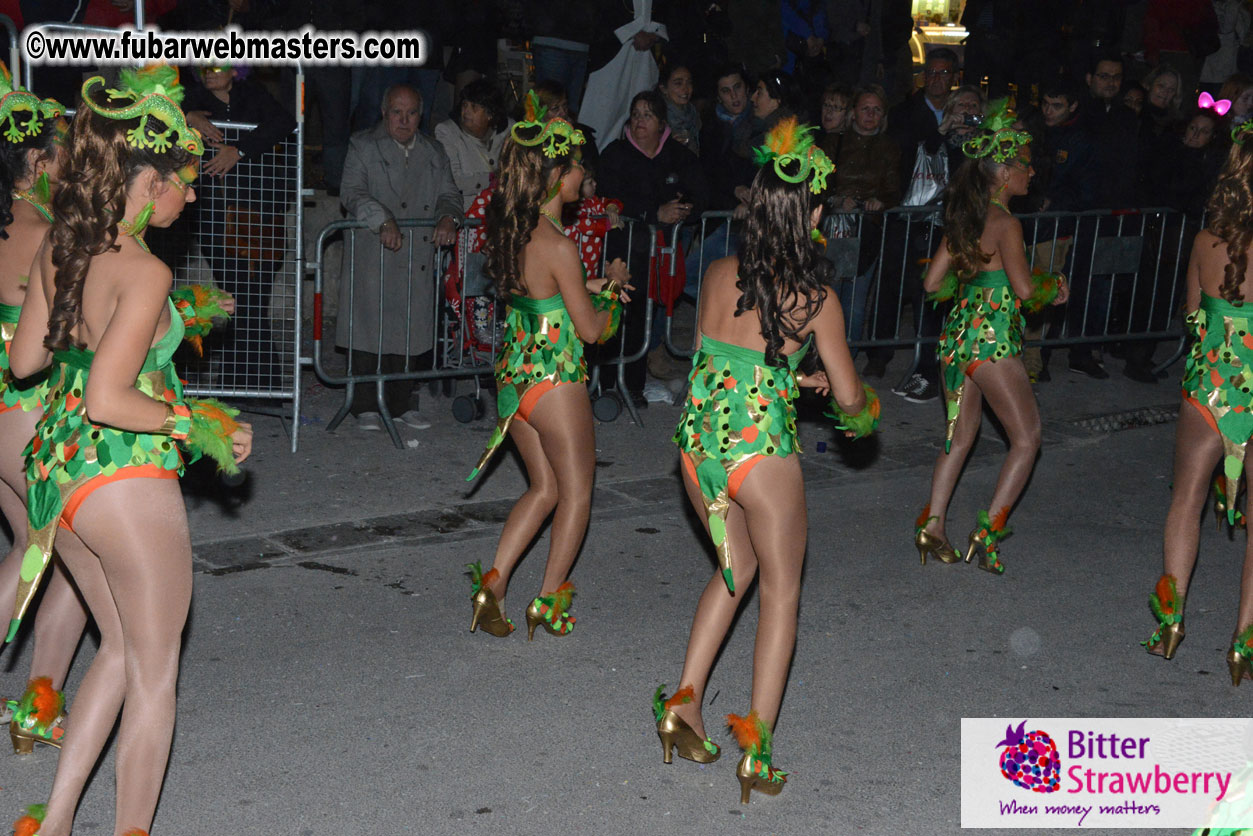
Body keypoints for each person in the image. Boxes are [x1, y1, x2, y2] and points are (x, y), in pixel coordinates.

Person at [7, 65, 251, 836]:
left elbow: (23, 365)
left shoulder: (60, 248)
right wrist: (195, 424)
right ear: (147, 180)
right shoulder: (146, 267)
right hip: (121, 476)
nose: (190, 193)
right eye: (183, 178)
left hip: (59, 472)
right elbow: (112, 397)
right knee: (155, 674)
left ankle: (54, 823)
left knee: (116, 647)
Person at [654, 117, 878, 804]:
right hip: (758, 452)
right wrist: (853, 397)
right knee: (780, 592)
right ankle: (756, 753)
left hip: (697, 449)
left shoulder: (720, 271)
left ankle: (681, 708)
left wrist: (786, 377)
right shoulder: (815, 298)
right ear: (810, 214)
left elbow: (722, 360)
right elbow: (851, 405)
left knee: (733, 569)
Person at [464, 92, 628, 640]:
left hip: (514, 376)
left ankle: (494, 581)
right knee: (577, 493)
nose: (585, 175)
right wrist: (615, 291)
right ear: (558, 174)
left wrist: (592, 287)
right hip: (554, 380)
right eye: (578, 165)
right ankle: (548, 601)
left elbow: (545, 297)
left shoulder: (514, 229)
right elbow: (589, 330)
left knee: (543, 489)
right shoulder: (559, 243)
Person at [914, 101, 1068, 574]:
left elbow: (931, 284)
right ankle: (988, 530)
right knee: (1027, 439)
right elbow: (1024, 289)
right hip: (992, 344)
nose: (1031, 170)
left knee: (959, 439)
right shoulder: (1006, 223)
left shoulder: (965, 219)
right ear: (1002, 171)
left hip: (957, 341)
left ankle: (932, 526)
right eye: (1023, 163)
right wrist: (1053, 287)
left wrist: (976, 283)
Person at [1143, 120, 1253, 686]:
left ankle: (1171, 620)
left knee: (1185, 500)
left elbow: (1190, 314)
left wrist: (1221, 327)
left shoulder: (1206, 241)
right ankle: (1243, 642)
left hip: (1209, 385)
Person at [0, 68, 89, 757]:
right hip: (30, 415)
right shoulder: (41, 233)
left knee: (41, 553)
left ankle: (37, 708)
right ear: (35, 161)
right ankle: (36, 709)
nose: (64, 162)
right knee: (71, 561)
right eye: (57, 152)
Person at [336, 84, 461, 432]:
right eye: (397, 112)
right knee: (368, 330)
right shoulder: (362, 145)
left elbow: (450, 193)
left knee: (410, 332)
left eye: (411, 113)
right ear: (384, 112)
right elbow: (352, 192)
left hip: (415, 255)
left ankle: (402, 402)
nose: (404, 120)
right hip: (374, 253)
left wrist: (449, 216)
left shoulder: (434, 151)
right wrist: (382, 219)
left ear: (420, 115)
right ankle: (364, 405)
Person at [181, 64, 297, 391]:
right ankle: (240, 384)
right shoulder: (192, 98)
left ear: (236, 69)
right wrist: (188, 116)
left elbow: (284, 121)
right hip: (215, 218)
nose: (209, 71)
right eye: (203, 64)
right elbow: (152, 114)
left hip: (259, 215)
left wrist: (239, 150)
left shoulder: (252, 95)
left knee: (255, 299)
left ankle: (258, 387)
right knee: (233, 298)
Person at [598, 89, 708, 408]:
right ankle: (605, 384)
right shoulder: (615, 154)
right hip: (621, 250)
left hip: (657, 255)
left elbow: (701, 193)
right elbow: (608, 197)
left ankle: (633, 385)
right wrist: (653, 212)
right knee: (616, 314)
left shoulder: (678, 156)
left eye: (647, 115)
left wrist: (686, 209)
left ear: (662, 123)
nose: (639, 121)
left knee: (644, 318)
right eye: (635, 114)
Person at [434, 79, 510, 212]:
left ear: (490, 114)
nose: (466, 112)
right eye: (464, 105)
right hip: (468, 213)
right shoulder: (447, 132)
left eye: (474, 107)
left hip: (502, 211)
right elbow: (453, 181)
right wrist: (492, 179)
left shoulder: (509, 130)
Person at [659, 63, 701, 154]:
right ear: (664, 88)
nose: (685, 89)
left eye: (689, 83)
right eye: (678, 83)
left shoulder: (693, 114)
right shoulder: (657, 118)